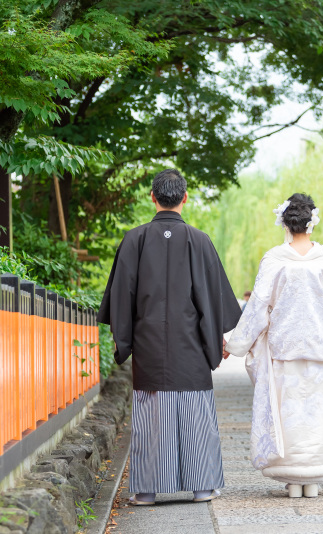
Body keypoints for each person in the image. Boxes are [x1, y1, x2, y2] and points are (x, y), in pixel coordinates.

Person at [98, 169, 242, 506]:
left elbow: (121, 297)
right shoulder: (200, 240)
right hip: (191, 345)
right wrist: (217, 340)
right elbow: (212, 298)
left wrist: (124, 340)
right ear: (185, 197)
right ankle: (203, 486)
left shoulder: (134, 239)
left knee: (151, 416)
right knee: (194, 412)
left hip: (149, 346)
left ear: (153, 197)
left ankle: (147, 491)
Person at [224, 193, 323, 499]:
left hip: (283, 350)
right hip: (322, 348)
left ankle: (292, 478)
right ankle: (313, 477)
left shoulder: (274, 259)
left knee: (288, 413)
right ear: (312, 223)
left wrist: (236, 344)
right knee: (319, 411)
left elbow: (258, 306)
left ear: (285, 223)